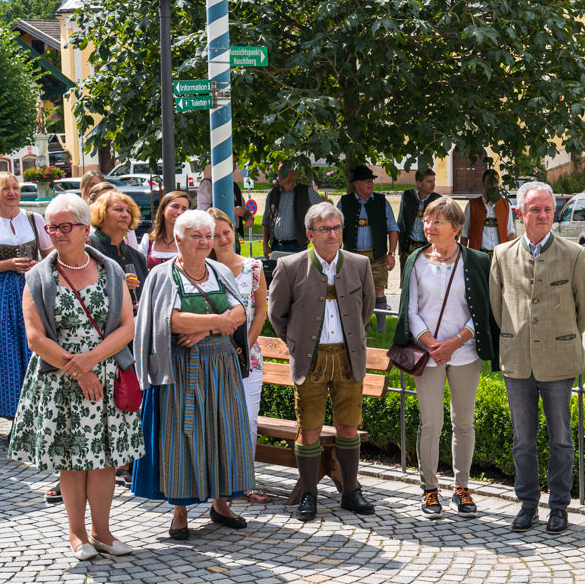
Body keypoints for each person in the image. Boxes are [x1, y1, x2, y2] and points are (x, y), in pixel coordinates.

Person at [10, 192, 143, 559]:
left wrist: (92, 361)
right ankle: (77, 534)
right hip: (60, 378)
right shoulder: (39, 276)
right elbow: (35, 337)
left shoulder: (111, 271)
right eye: (51, 227)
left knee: (104, 459)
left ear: (86, 229)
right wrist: (79, 369)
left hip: (106, 372)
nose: (56, 233)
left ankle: (103, 532)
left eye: (65, 226)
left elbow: (127, 326)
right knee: (71, 460)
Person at [130, 209, 252, 539]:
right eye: (196, 236)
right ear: (179, 239)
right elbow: (170, 321)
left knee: (224, 432)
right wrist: (217, 322)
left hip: (221, 366)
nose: (204, 242)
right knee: (181, 437)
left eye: (208, 236)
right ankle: (180, 513)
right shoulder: (164, 275)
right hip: (180, 368)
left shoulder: (219, 271)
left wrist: (206, 331)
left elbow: (240, 311)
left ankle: (222, 504)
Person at [488, 180, 585, 534]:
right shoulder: (502, 254)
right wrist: (518, 336)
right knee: (523, 440)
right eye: (535, 209)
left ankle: (559, 507)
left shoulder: (573, 254)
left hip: (558, 359)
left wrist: (560, 336)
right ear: (520, 213)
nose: (543, 215)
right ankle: (528, 504)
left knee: (561, 438)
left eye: (548, 209)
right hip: (517, 359)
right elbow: (497, 307)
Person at [267, 202, 378, 521]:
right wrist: (298, 342)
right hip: (310, 360)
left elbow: (366, 308)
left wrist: (349, 337)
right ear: (309, 234)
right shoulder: (290, 266)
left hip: (347, 357)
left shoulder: (359, 264)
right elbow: (277, 314)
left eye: (336, 228)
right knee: (309, 428)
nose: (332, 234)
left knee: (349, 426)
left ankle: (350, 492)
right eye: (325, 229)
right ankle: (309, 495)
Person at [393, 195, 495, 518]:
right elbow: (410, 309)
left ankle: (461, 488)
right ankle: (430, 489)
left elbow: (483, 310)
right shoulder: (415, 260)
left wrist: (455, 342)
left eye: (437, 221)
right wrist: (431, 343)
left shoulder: (477, 261)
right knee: (431, 423)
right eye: (426, 220)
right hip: (428, 354)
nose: (429, 226)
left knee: (463, 422)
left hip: (465, 353)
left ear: (456, 227)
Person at [0, 172, 50, 419]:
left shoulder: (34, 219)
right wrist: (7, 264)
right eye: (5, 188)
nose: (12, 192)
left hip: (32, 290)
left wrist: (37, 265)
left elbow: (52, 257)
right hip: (1, 295)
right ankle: (14, 417)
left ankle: (39, 414)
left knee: (35, 348)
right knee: (6, 352)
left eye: (15, 187)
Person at [211, 209, 272, 504]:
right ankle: (217, 481)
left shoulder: (253, 267)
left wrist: (243, 349)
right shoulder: (203, 271)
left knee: (247, 419)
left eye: (227, 232)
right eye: (215, 235)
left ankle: (245, 480)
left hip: (249, 357)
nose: (223, 239)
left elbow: (260, 312)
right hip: (211, 357)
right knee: (216, 420)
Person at [338, 165, 398, 294]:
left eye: (372, 181)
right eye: (367, 181)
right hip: (352, 257)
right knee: (354, 291)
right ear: (356, 183)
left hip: (378, 257)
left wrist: (391, 254)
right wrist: (336, 253)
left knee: (379, 290)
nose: (371, 184)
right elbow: (337, 230)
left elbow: (393, 228)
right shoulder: (344, 202)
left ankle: (379, 309)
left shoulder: (382, 201)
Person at [88, 191, 147, 300]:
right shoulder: (86, 249)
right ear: (101, 213)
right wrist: (117, 284)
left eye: (128, 211)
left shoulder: (138, 257)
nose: (125, 215)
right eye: (118, 210)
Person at [265, 167, 320, 255]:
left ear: (293, 174)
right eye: (278, 172)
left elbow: (322, 215)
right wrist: (265, 244)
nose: (279, 176)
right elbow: (266, 220)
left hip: (297, 247)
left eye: (282, 172)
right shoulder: (273, 194)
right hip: (275, 246)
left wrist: (313, 235)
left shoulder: (306, 192)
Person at [397, 170, 438, 262]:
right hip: (407, 247)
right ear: (419, 183)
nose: (433, 184)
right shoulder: (407, 196)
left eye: (433, 181)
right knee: (407, 271)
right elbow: (400, 222)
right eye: (429, 181)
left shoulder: (438, 200)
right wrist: (401, 246)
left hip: (429, 249)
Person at [145, 191, 192, 268]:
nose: (179, 212)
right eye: (175, 206)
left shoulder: (191, 241)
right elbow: (140, 269)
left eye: (184, 209)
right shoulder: (148, 241)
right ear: (163, 210)